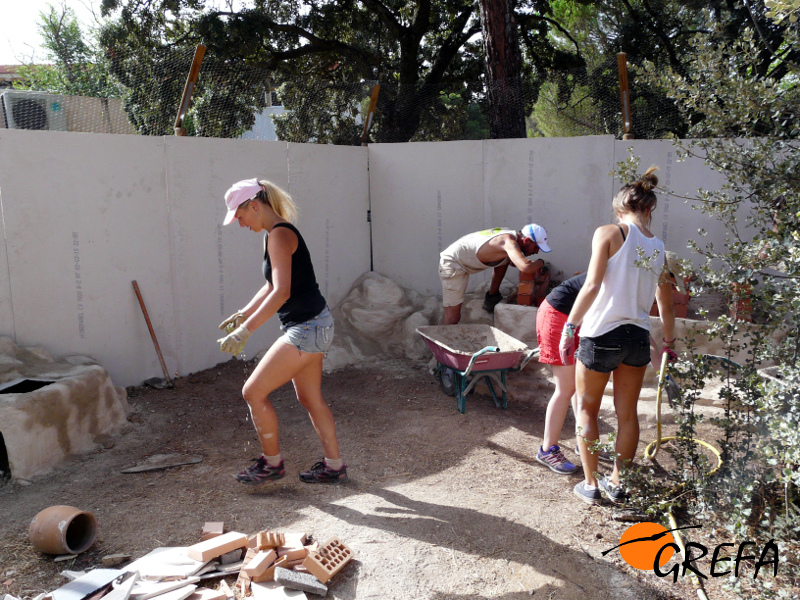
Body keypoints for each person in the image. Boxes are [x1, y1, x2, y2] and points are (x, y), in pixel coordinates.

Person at [216, 178, 347, 485]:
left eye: (239, 215)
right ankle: (334, 466)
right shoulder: (275, 234)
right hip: (315, 323)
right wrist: (243, 314)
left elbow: (281, 293)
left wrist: (245, 331)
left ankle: (271, 464)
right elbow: (271, 285)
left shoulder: (278, 235)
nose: (239, 223)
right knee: (310, 398)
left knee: (253, 391)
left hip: (307, 327)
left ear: (254, 205)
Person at [559, 166, 676, 505]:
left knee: (586, 410)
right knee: (627, 414)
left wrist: (570, 327)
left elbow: (593, 285)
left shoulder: (610, 233)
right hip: (637, 338)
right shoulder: (659, 247)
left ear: (619, 208)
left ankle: (592, 484)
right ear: (650, 209)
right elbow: (665, 306)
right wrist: (668, 343)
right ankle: (618, 481)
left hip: (601, 336)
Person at [439, 223, 552, 325]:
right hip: (453, 263)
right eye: (536, 247)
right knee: (453, 318)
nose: (536, 252)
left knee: (505, 258)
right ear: (526, 240)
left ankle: (492, 295)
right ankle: (441, 344)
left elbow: (513, 262)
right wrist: (540, 263)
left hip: (463, 258)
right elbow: (526, 267)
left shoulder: (510, 236)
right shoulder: (508, 241)